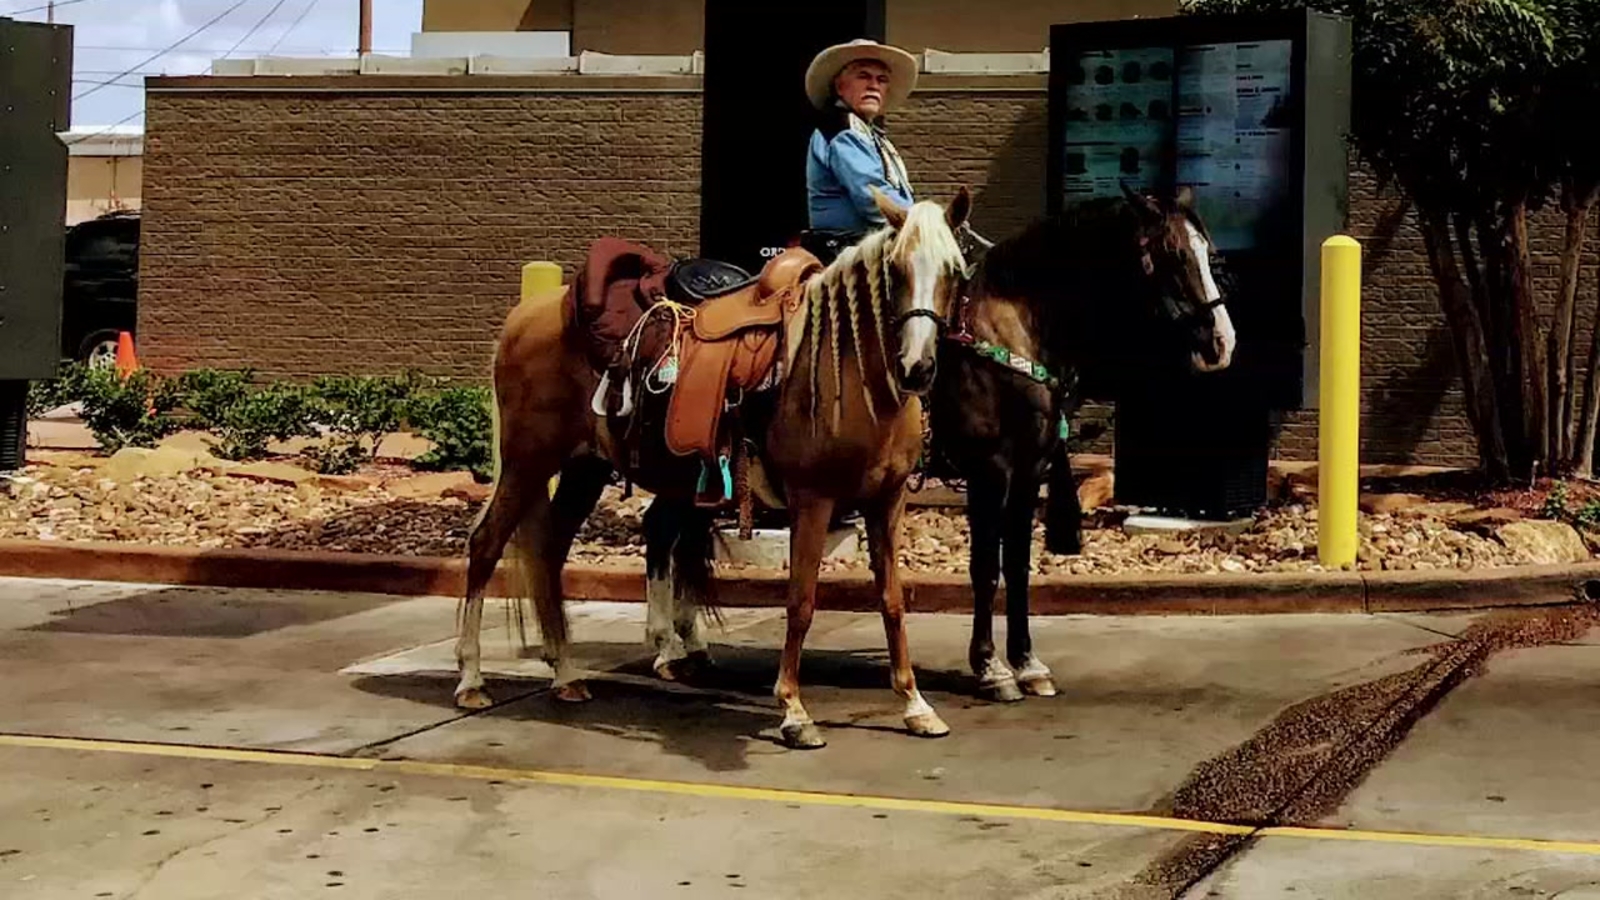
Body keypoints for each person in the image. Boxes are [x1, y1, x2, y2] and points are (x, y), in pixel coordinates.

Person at [801, 39, 919, 262]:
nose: (873, 85)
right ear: (840, 87)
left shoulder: (870, 135)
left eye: (881, 80)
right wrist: (925, 225)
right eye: (863, 76)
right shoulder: (841, 129)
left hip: (869, 247)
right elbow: (873, 199)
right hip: (846, 255)